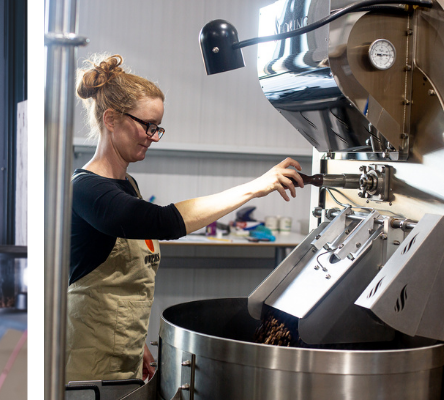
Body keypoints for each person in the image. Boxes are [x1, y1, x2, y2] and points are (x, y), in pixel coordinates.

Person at [66, 54, 304, 382]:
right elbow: (164, 222)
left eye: (157, 127)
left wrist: (136, 345)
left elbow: (123, 287)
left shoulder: (127, 185)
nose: (152, 135)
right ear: (111, 119)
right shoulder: (87, 190)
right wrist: (254, 188)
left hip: (123, 357)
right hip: (86, 364)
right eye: (146, 125)